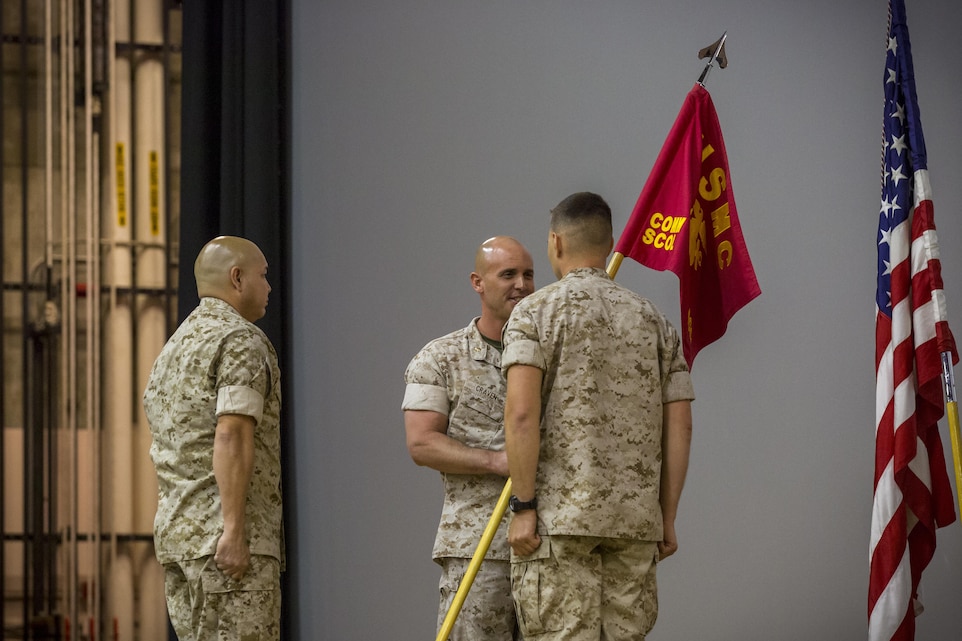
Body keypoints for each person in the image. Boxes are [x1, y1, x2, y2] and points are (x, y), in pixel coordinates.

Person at [502, 192, 694, 640]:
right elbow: (680, 426)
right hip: (635, 525)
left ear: (555, 243)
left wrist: (524, 507)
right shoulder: (655, 321)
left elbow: (522, 415)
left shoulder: (534, 313)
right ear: (609, 243)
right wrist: (666, 518)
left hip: (557, 524)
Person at [143, 235, 283, 640]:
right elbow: (232, 435)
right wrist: (235, 531)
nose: (269, 287)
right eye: (263, 275)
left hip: (180, 540)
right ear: (237, 278)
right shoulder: (239, 340)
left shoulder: (172, 349)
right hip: (227, 546)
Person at [402, 236, 536, 641]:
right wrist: (496, 462)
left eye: (529, 274)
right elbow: (422, 443)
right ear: (478, 282)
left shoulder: (551, 354)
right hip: (477, 544)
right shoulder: (439, 358)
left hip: (547, 543)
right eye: (508, 274)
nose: (522, 285)